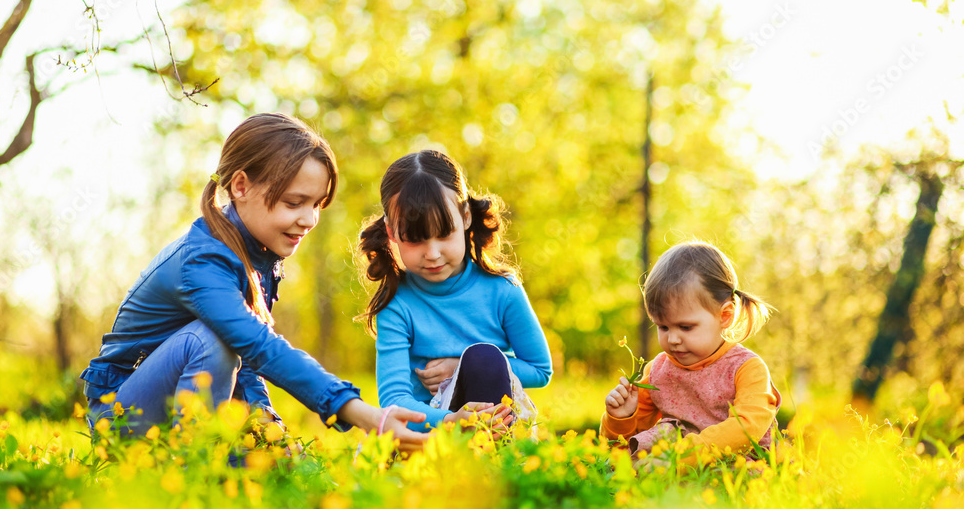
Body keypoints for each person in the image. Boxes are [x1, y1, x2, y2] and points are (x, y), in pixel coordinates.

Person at [78, 113, 427, 451]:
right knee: (210, 337)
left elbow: (246, 363)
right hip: (121, 417)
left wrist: (269, 427)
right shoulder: (203, 262)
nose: (309, 219)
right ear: (241, 186)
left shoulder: (257, 254)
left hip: (182, 406)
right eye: (294, 202)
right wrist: (364, 415)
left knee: (277, 462)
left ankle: (221, 459)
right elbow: (257, 345)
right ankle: (194, 474)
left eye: (317, 204)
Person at [357, 150, 553, 432]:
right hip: (431, 434)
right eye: (415, 240)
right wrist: (450, 422)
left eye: (443, 234)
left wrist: (459, 369)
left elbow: (540, 370)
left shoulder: (502, 289)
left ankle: (495, 461)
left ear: (464, 217)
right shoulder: (397, 305)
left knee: (482, 358)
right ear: (391, 233)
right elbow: (394, 400)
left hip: (496, 425)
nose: (433, 253)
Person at [601, 240, 780, 465]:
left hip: (733, 462)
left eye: (686, 327)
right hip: (671, 464)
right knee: (641, 456)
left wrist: (682, 459)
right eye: (663, 327)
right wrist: (622, 418)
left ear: (724, 316)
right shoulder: (658, 371)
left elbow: (746, 428)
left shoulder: (746, 368)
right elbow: (625, 448)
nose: (673, 339)